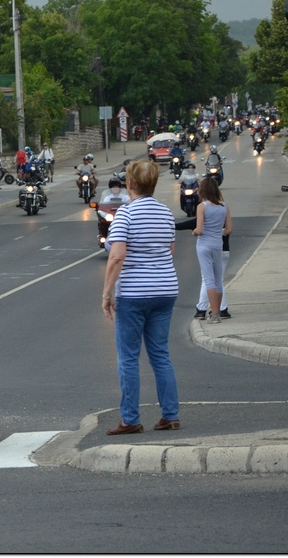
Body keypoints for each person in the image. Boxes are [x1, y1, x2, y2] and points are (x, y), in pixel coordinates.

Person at [101, 160, 180, 435]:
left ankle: (130, 419)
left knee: (128, 358)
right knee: (160, 355)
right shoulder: (166, 213)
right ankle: (170, 415)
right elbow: (169, 250)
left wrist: (107, 292)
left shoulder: (126, 214)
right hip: (166, 290)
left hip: (134, 293)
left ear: (129, 184)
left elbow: (117, 256)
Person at [192, 178, 232, 324]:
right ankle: (217, 313)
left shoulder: (202, 206)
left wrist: (194, 232)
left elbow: (199, 229)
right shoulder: (224, 206)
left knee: (208, 279)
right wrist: (218, 232)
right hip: (217, 245)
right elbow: (229, 230)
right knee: (218, 279)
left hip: (203, 245)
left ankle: (213, 314)